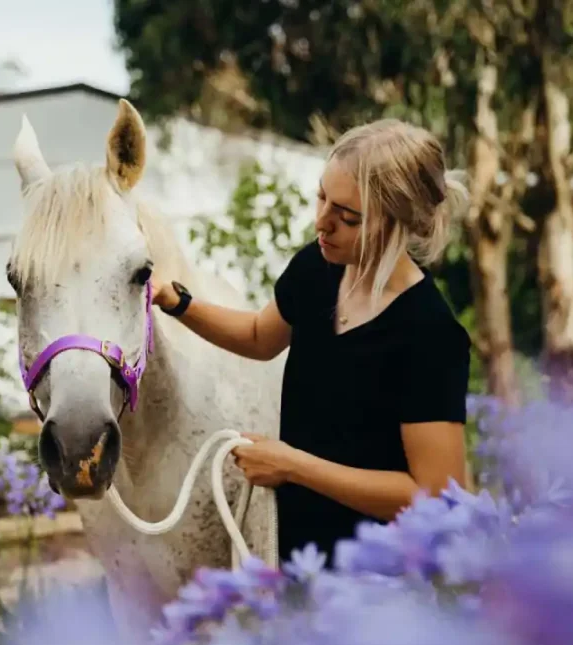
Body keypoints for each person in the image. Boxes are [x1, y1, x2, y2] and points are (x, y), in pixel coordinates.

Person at [152, 118, 472, 567]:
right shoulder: (317, 269)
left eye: (348, 217)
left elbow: (433, 497)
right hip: (300, 561)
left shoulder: (430, 335)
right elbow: (260, 337)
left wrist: (292, 467)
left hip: (389, 584)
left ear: (398, 224)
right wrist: (177, 302)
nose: (321, 223)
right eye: (322, 197)